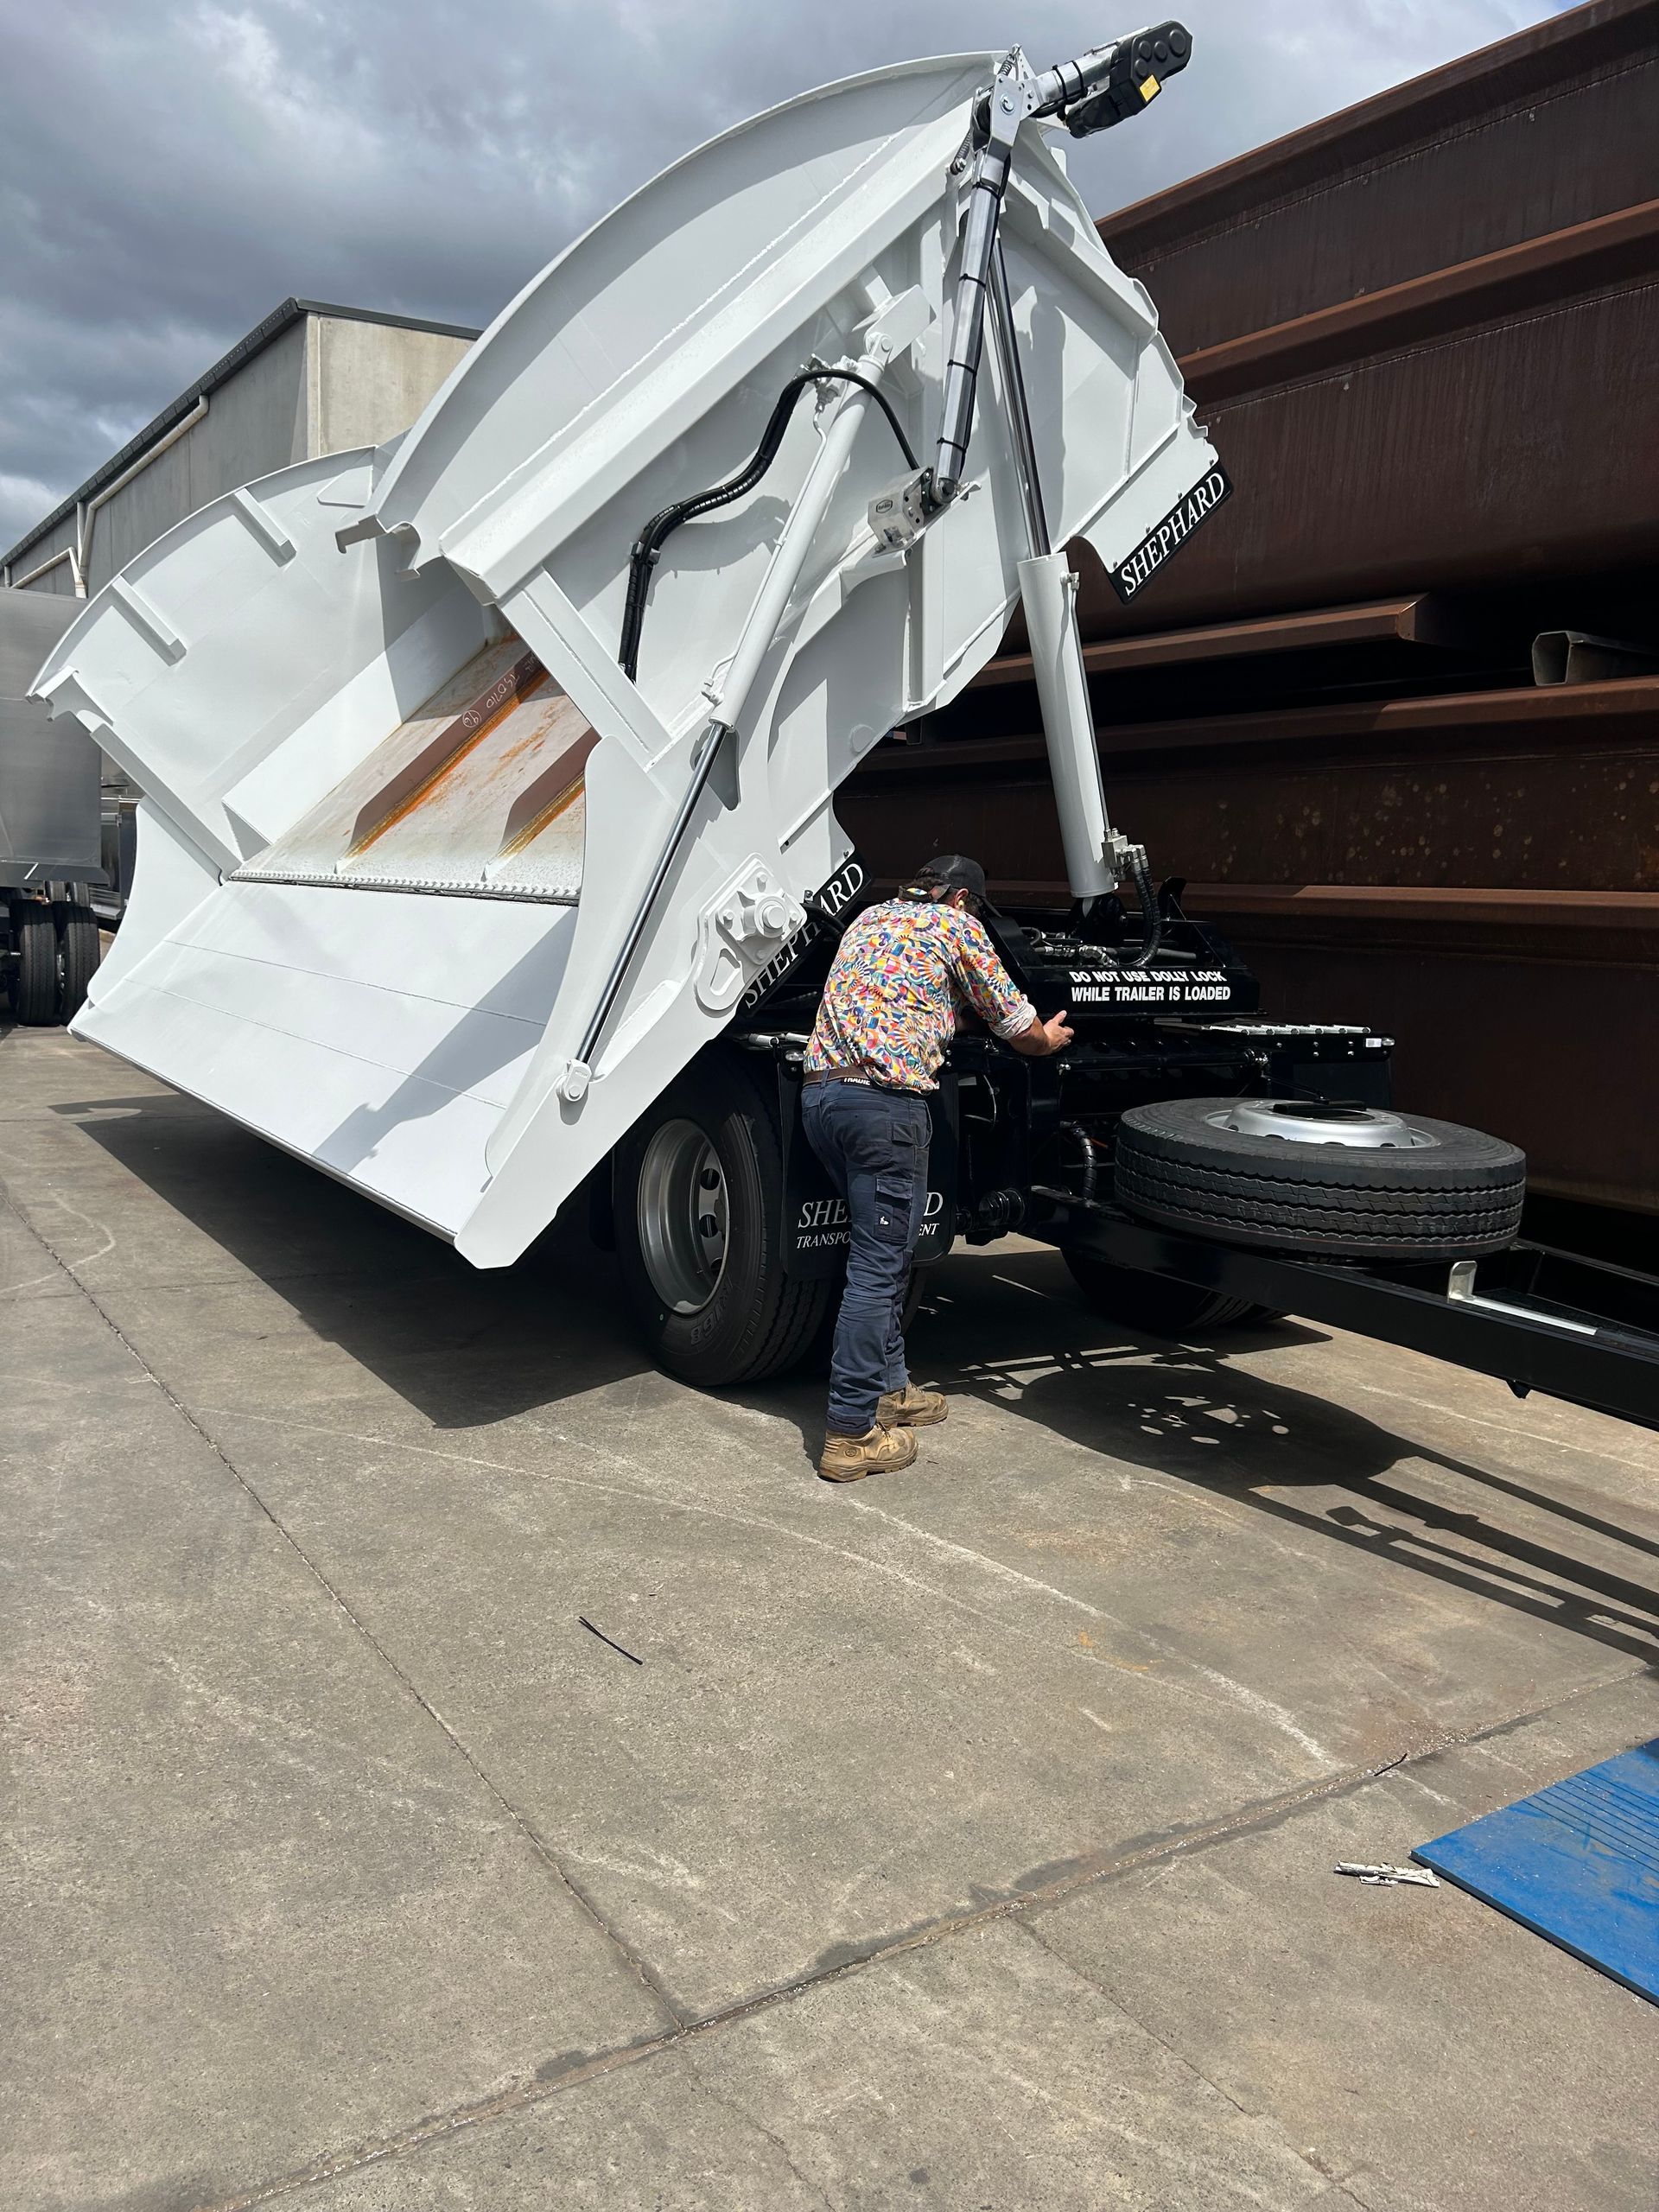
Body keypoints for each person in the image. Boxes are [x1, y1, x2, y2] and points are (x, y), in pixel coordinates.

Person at [801, 854, 1073, 1481]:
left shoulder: (869, 917)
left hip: (823, 1098)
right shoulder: (955, 928)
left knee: (884, 1254)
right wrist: (1048, 1041)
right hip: (885, 1109)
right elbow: (1016, 1025)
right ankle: (850, 1433)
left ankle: (891, 1391)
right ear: (961, 900)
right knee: (878, 1266)